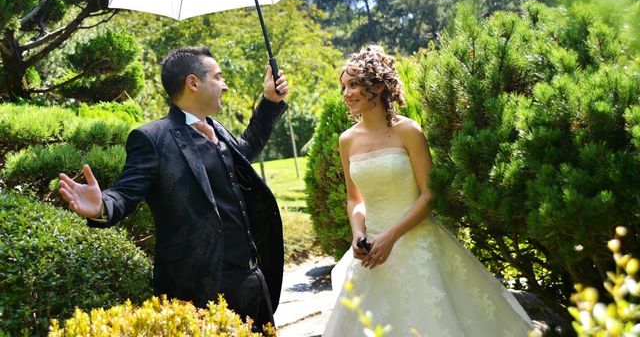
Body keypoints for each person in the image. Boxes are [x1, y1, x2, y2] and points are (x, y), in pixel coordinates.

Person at [59, 46, 288, 333]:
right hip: (202, 289)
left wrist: (269, 101)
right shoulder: (153, 138)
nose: (225, 85)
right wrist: (102, 206)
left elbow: (245, 150)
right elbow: (126, 193)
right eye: (218, 77)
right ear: (193, 83)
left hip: (253, 281)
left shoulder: (217, 128)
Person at [323, 45, 534, 336]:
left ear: (379, 86)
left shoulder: (408, 131)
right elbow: (354, 199)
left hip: (417, 244)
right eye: (344, 86)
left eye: (354, 84)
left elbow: (429, 194)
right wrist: (358, 231)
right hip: (372, 256)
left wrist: (391, 237)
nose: (346, 93)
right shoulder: (347, 140)